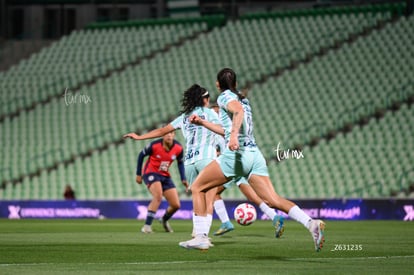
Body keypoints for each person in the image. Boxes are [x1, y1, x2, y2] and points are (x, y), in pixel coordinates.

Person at [179, 68, 325, 252]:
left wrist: (232, 137)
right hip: (254, 154)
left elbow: (236, 114)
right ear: (236, 83)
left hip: (236, 155)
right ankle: (311, 223)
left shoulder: (224, 97)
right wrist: (203, 123)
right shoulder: (244, 100)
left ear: (218, 84)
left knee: (197, 187)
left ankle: (200, 237)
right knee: (273, 199)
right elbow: (231, 124)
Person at [124, 84, 221, 242]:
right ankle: (202, 235)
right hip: (206, 158)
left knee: (197, 194)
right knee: (209, 197)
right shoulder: (209, 113)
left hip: (190, 162)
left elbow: (162, 131)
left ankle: (197, 233)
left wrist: (139, 137)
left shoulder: (183, 117)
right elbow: (223, 129)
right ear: (205, 99)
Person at [210, 103, 283, 238]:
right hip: (237, 163)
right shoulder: (219, 132)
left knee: (212, 191)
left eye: (217, 113)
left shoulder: (229, 129)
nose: (215, 116)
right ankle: (274, 217)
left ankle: (225, 223)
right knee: (251, 196)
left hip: (234, 164)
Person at [134, 131, 187, 233]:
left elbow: (180, 163)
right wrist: (138, 174)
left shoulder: (178, 148)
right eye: (166, 133)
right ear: (162, 135)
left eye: (171, 133)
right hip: (151, 173)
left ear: (174, 135)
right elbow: (141, 155)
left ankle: (164, 220)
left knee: (176, 205)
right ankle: (147, 226)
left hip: (165, 175)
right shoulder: (154, 145)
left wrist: (183, 178)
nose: (169, 135)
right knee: (158, 196)